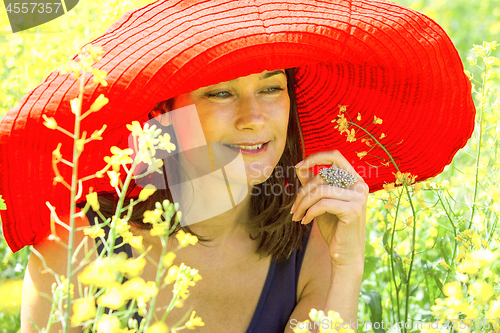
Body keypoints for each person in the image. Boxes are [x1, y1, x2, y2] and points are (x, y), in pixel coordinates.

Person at [0, 1, 475, 332]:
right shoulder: (74, 243)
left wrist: (347, 266)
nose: (254, 117)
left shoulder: (310, 243)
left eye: (271, 88)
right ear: (166, 114)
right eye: (221, 92)